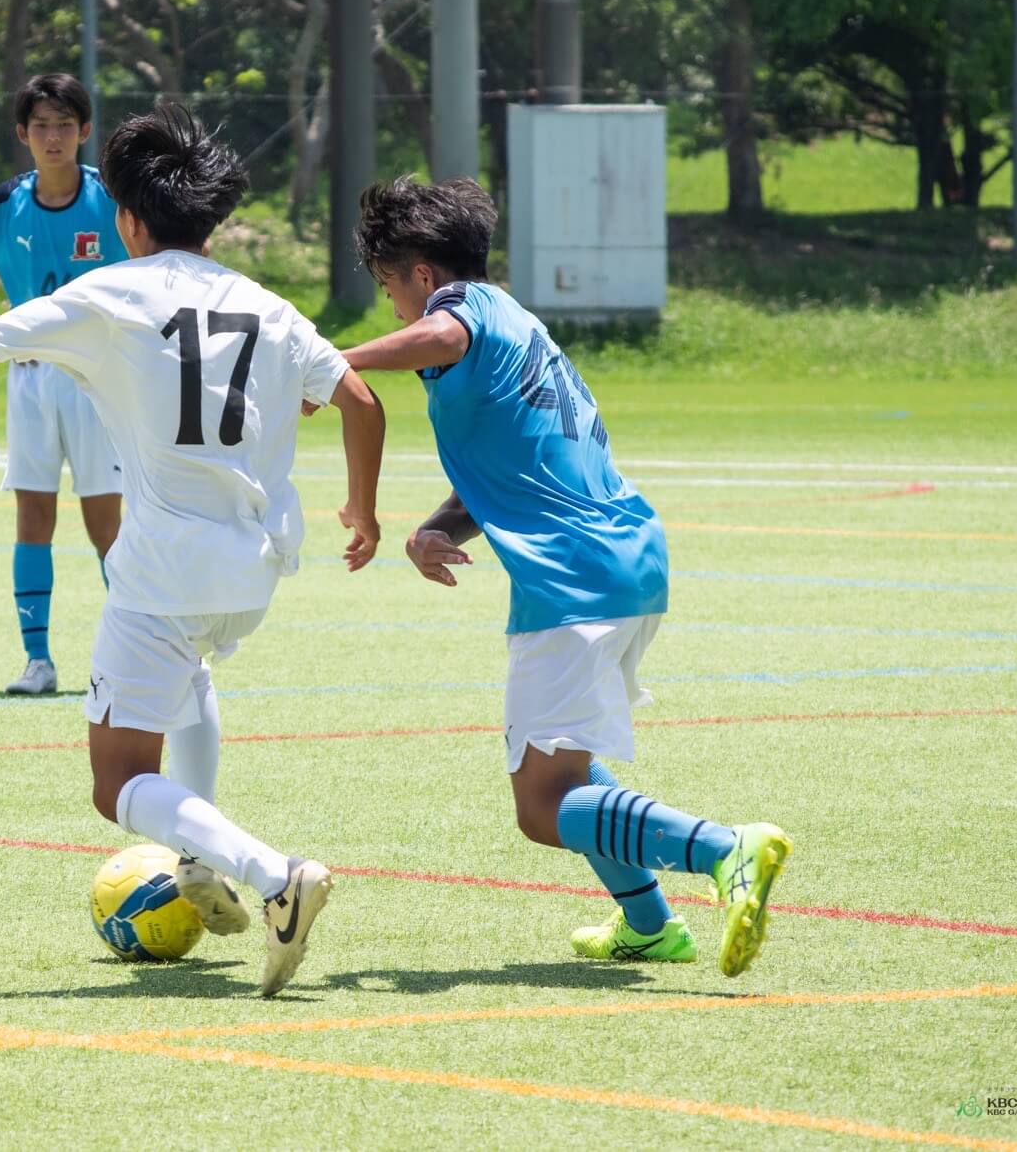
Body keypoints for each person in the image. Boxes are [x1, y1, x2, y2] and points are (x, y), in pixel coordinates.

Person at [0, 104, 387, 996]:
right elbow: (360, 399)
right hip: (251, 571)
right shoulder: (266, 304)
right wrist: (361, 508)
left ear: (128, 220)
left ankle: (274, 874)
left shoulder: (113, 291)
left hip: (163, 570)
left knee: (118, 781)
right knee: (190, 673)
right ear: (210, 221)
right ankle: (198, 862)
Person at [338, 175, 791, 977]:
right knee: (564, 759)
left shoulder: (461, 313)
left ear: (422, 275)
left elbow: (439, 334)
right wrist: (435, 528)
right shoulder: (515, 321)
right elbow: (513, 467)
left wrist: (333, 360)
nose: (395, 309)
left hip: (573, 577)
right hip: (625, 559)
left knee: (542, 805)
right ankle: (649, 923)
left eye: (389, 288)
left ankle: (726, 848)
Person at [0, 74, 127, 695]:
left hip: (97, 378)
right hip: (31, 379)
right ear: (22, 133)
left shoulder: (112, 198)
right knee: (33, 516)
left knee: (106, 522)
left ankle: (131, 653)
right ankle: (38, 661)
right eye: (41, 126)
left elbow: (157, 261)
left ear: (85, 131)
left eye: (65, 125)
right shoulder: (4, 204)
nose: (53, 137)